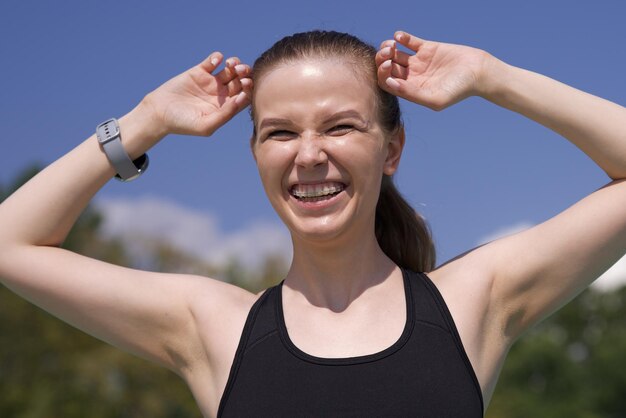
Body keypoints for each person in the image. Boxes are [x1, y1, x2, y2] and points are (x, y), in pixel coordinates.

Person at [0, 29, 625, 417]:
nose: (308, 154)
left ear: (392, 149)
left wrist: (495, 77)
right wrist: (146, 121)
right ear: (256, 156)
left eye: (340, 125)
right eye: (279, 132)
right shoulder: (212, 328)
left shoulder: (472, 301)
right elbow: (10, 244)